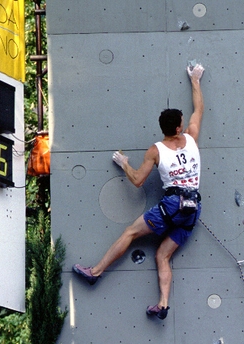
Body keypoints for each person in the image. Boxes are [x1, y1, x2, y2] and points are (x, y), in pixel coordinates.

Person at [73, 63, 205, 320]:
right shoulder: (191, 138)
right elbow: (198, 110)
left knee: (131, 232)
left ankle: (96, 272)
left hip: (171, 207)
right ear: (179, 128)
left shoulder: (155, 151)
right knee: (163, 255)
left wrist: (124, 163)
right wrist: (195, 80)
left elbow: (137, 181)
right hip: (192, 209)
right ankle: (163, 304)